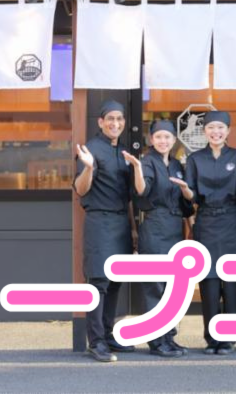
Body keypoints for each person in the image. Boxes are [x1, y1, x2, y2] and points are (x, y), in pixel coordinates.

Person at [170, 111, 236, 355]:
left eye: (220, 127)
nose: (216, 132)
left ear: (228, 130)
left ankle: (229, 337)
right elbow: (192, 196)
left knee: (233, 281)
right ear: (204, 131)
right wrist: (185, 190)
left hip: (232, 220)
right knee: (209, 282)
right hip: (206, 221)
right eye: (211, 128)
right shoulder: (195, 159)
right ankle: (212, 337)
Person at [73, 99, 137, 363]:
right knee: (98, 282)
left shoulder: (123, 151)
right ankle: (96, 341)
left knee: (115, 281)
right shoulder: (91, 149)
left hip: (121, 224)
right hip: (100, 222)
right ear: (100, 122)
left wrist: (133, 229)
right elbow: (81, 189)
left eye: (119, 119)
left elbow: (128, 196)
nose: (115, 123)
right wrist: (89, 167)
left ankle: (109, 335)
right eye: (110, 118)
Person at [122, 120, 192, 358]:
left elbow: (186, 203)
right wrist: (137, 168)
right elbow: (141, 190)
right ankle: (156, 340)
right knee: (155, 286)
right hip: (154, 227)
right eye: (159, 137)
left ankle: (169, 337)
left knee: (172, 286)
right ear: (151, 139)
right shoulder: (147, 162)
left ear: (174, 140)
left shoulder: (176, 164)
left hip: (174, 228)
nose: (163, 141)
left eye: (168, 137)